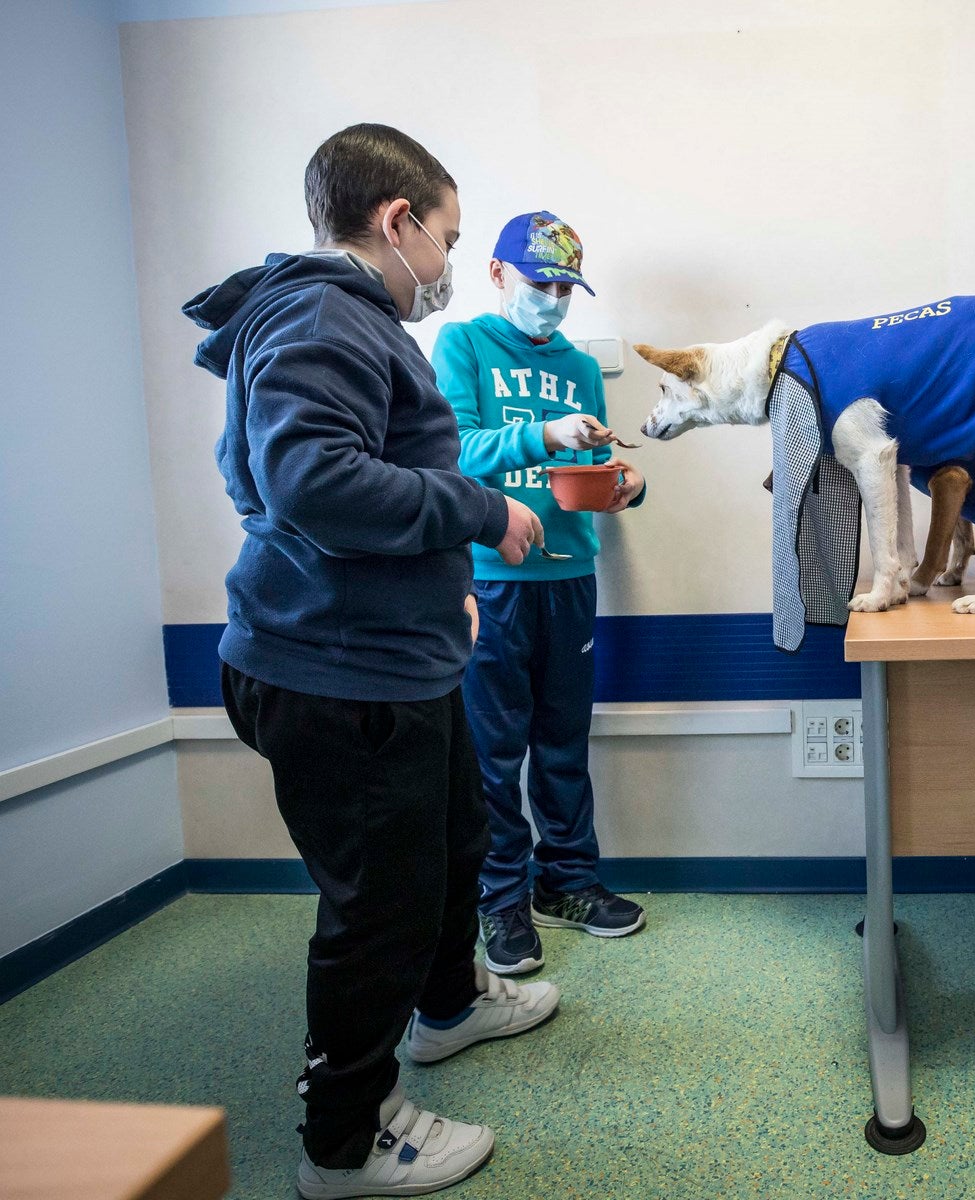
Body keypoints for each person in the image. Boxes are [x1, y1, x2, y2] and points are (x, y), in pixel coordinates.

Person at [184, 123, 558, 1199]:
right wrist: (484, 509)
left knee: (452, 843)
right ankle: (344, 1145)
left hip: (391, 658)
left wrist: (442, 589)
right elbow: (316, 487)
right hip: (332, 676)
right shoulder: (319, 313)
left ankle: (452, 1007)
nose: (441, 266)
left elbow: (302, 482)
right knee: (377, 910)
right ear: (397, 223)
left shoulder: (336, 319)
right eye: (443, 238)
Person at [432, 212, 648, 977]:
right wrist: (541, 437)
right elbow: (451, 454)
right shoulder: (460, 345)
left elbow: (588, 473)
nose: (553, 300)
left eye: (565, 287)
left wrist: (626, 486)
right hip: (491, 580)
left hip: (569, 578)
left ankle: (570, 884)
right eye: (539, 283)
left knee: (562, 745)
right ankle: (501, 902)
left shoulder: (581, 367)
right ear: (497, 276)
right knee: (492, 756)